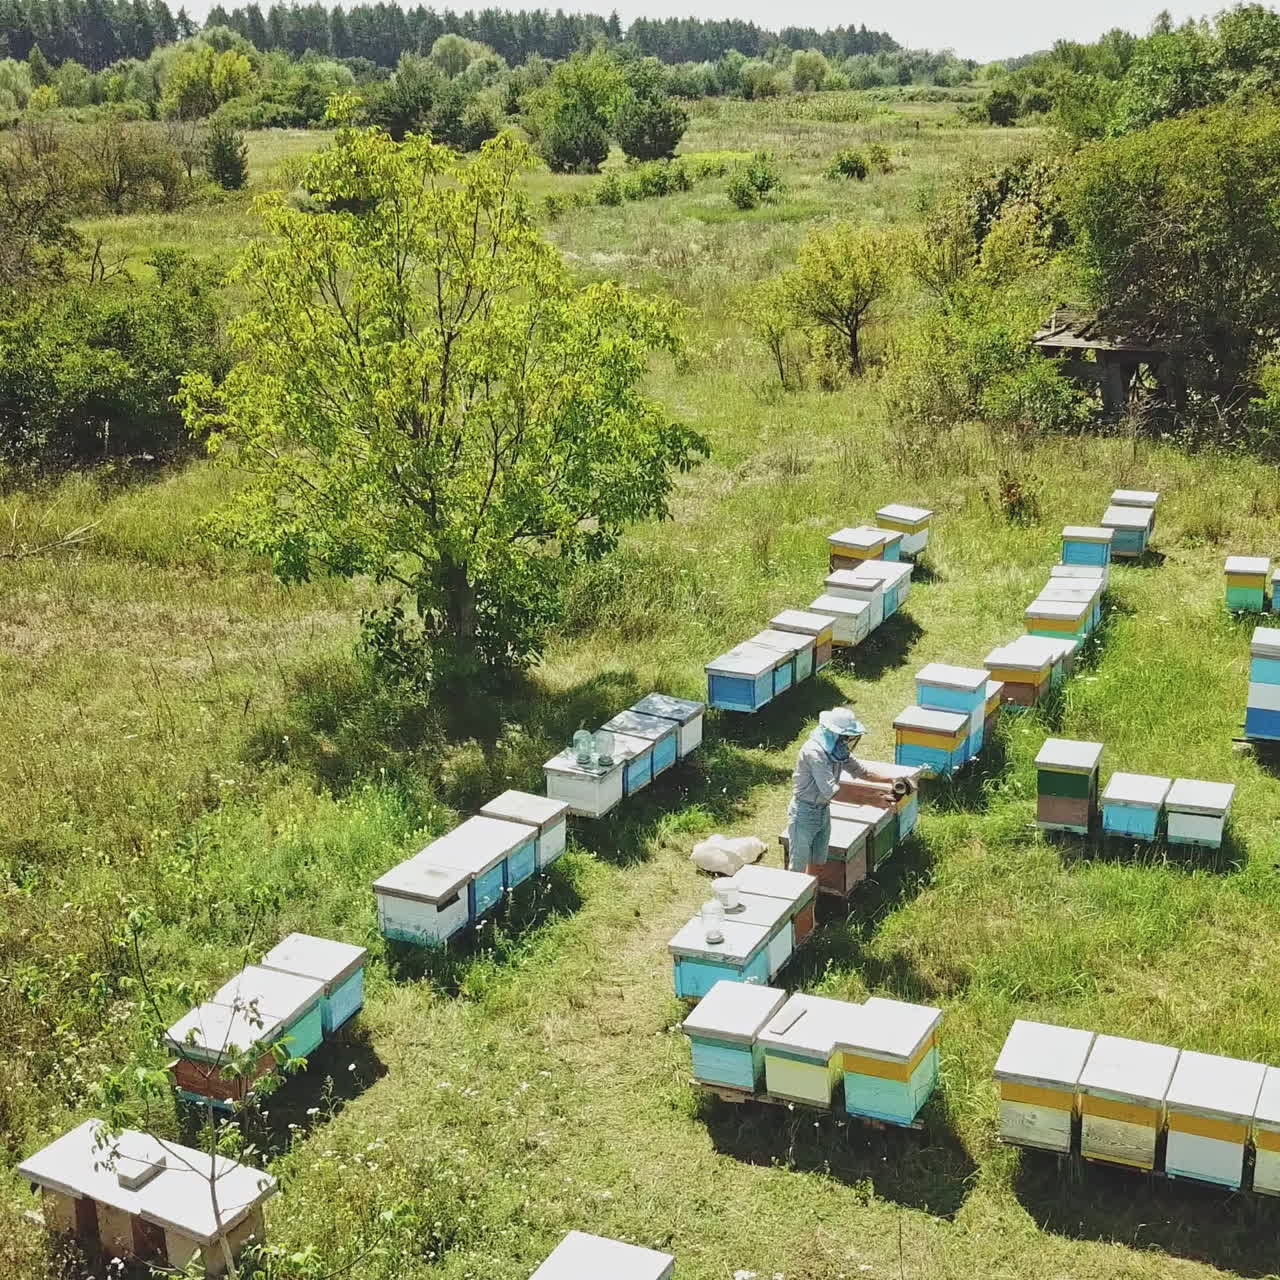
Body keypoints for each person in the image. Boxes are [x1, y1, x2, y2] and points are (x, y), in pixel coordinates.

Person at [786, 707, 897, 873]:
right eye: (844, 737)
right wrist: (872, 799)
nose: (846, 741)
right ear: (832, 733)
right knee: (798, 868)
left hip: (823, 811)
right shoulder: (814, 753)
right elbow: (832, 792)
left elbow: (862, 772)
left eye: (848, 738)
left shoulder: (837, 750)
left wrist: (892, 780)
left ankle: (813, 898)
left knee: (818, 862)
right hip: (804, 813)